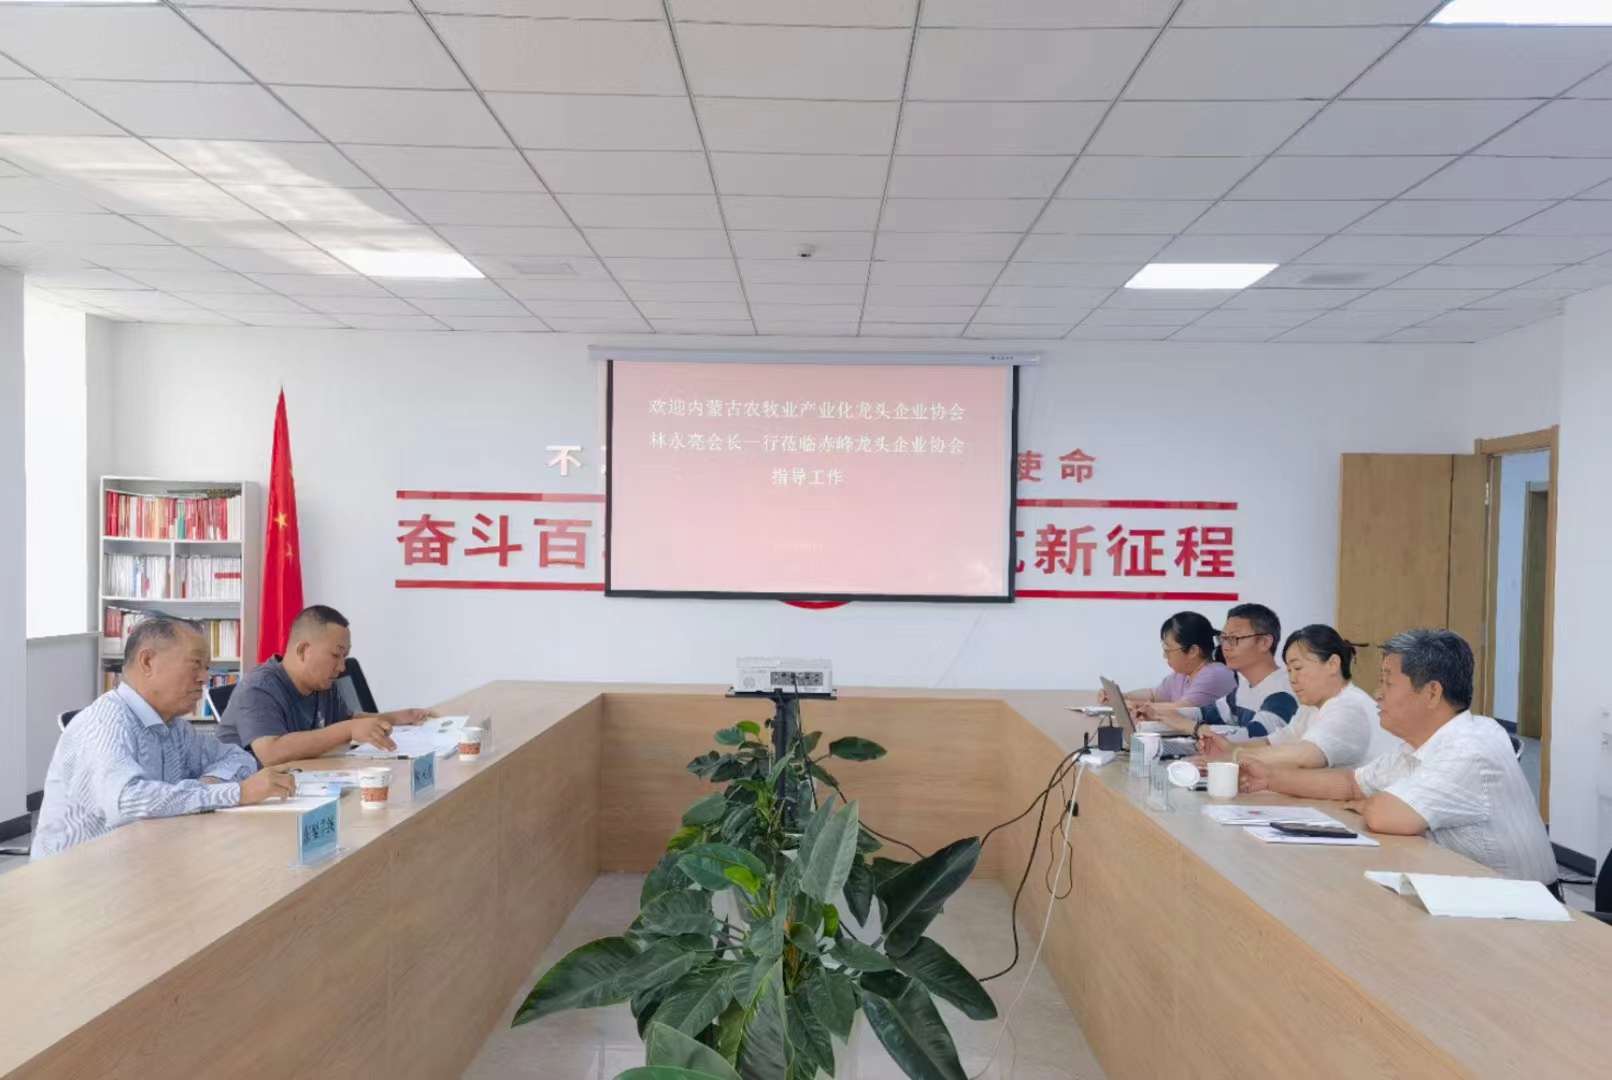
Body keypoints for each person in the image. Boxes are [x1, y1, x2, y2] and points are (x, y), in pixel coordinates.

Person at [1239, 629, 1557, 886]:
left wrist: (1372, 801)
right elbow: (1351, 784)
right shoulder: (1417, 744)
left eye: (1387, 683)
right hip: (1462, 885)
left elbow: (1385, 815)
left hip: (1520, 907)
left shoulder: (1469, 747)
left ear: (1431, 693)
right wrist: (1269, 778)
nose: (1378, 694)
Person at [31, 616, 296, 859]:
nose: (205, 678)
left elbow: (238, 757)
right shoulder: (104, 723)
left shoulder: (173, 727)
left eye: (207, 668)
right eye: (195, 664)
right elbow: (127, 801)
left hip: (144, 859)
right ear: (148, 662)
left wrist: (210, 784)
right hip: (82, 878)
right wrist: (236, 792)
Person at [217, 605, 435, 767]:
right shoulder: (259, 688)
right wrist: (348, 730)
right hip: (242, 799)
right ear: (303, 650)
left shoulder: (322, 684)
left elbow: (347, 720)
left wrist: (397, 717)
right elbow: (270, 752)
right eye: (335, 655)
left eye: (345, 656)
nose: (341, 667)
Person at [1198, 625, 1396, 770]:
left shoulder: (1348, 706)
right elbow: (1274, 743)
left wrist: (1235, 756)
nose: (1292, 678)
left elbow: (1305, 756)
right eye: (1289, 670)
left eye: (1298, 668)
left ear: (1333, 664)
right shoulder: (1311, 707)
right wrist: (1228, 748)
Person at [1140, 603, 1298, 738]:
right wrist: (1157, 713)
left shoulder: (1282, 691)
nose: (1225, 647)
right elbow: (1205, 713)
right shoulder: (1243, 688)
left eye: (1234, 639)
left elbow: (1253, 737)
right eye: (1224, 638)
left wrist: (1193, 727)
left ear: (1265, 642)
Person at [1103, 611, 1236, 709]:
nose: (1165, 656)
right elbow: (1154, 695)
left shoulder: (1214, 674)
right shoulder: (1182, 675)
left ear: (1193, 651)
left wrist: (1129, 705)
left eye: (1168, 650)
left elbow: (1181, 710)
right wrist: (1121, 697)